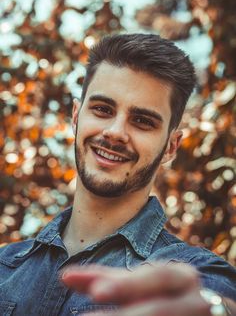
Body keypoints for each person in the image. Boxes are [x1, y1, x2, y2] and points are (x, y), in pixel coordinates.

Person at [0, 34, 235, 316]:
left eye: (142, 121)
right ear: (76, 117)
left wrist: (215, 308)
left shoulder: (194, 273)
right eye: (102, 109)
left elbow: (219, 299)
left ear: (171, 146)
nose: (114, 132)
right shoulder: (4, 265)